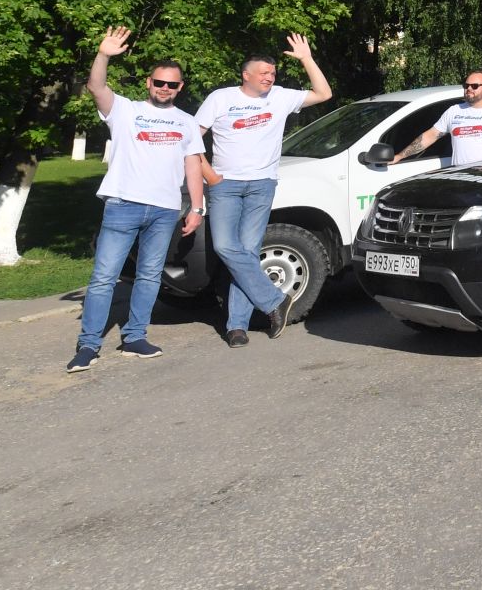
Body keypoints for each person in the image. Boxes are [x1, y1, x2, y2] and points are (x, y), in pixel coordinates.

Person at [68, 27, 207, 373]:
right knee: (104, 277)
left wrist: (197, 208)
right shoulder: (125, 111)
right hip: (123, 205)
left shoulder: (187, 122)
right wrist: (103, 55)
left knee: (149, 275)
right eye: (159, 82)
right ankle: (88, 345)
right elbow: (96, 88)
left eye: (172, 85)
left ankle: (134, 337)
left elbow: (193, 165)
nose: (164, 89)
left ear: (180, 88)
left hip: (164, 210)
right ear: (149, 83)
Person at [194, 35, 333, 346]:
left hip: (262, 185)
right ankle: (274, 300)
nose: (270, 78)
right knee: (227, 248)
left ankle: (237, 327)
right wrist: (210, 176)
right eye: (264, 73)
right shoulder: (220, 98)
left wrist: (306, 59)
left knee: (245, 253)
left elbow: (324, 93)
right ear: (246, 75)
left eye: (273, 73)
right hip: (225, 185)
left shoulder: (281, 97)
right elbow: (190, 138)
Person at [392, 70, 482, 168]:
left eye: (475, 86)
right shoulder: (454, 111)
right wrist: (399, 156)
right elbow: (430, 136)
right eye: (466, 85)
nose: (469, 88)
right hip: (459, 178)